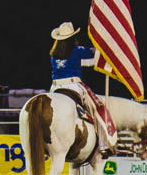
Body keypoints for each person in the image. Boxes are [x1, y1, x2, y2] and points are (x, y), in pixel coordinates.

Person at [49, 21, 117, 158]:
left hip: (54, 87)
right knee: (98, 107)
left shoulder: (53, 55)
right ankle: (104, 144)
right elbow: (95, 56)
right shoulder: (77, 51)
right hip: (74, 85)